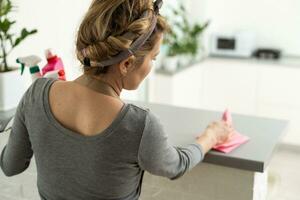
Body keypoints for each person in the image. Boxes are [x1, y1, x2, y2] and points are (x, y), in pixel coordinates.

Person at [0, 0, 233, 199]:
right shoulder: (139, 125)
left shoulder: (36, 93)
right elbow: (177, 164)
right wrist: (211, 135)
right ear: (127, 64)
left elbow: (11, 166)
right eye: (153, 58)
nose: (152, 65)